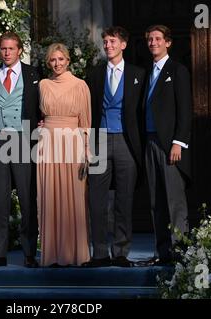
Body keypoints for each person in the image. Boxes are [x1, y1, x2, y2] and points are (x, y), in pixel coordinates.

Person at [83, 26, 146, 267]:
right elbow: (86, 109)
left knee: (124, 199)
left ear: (124, 45)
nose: (108, 46)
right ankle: (99, 253)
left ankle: (120, 252)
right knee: (97, 200)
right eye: (106, 42)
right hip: (99, 141)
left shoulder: (138, 74)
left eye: (112, 41)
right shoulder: (94, 74)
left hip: (126, 143)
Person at [0, 32, 40, 268]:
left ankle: (29, 253)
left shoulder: (33, 74)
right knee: (0, 199)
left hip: (23, 138)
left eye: (11, 49)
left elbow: (41, 104)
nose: (6, 53)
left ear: (19, 50)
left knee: (27, 198)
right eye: (3, 49)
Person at [37, 43, 91, 267]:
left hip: (73, 143)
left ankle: (75, 253)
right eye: (52, 60)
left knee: (74, 198)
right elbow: (39, 114)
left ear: (68, 60)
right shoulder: (42, 85)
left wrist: (87, 150)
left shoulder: (81, 86)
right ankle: (52, 255)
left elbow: (86, 121)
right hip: (47, 144)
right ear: (48, 63)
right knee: (49, 197)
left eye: (60, 59)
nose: (57, 64)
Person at [143, 25, 192, 265]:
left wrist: (178, 143)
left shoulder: (178, 70)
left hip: (170, 145)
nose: (153, 42)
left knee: (175, 200)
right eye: (150, 39)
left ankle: (180, 252)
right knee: (156, 201)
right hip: (150, 141)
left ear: (168, 42)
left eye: (158, 39)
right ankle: (162, 252)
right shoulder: (147, 72)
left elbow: (185, 110)